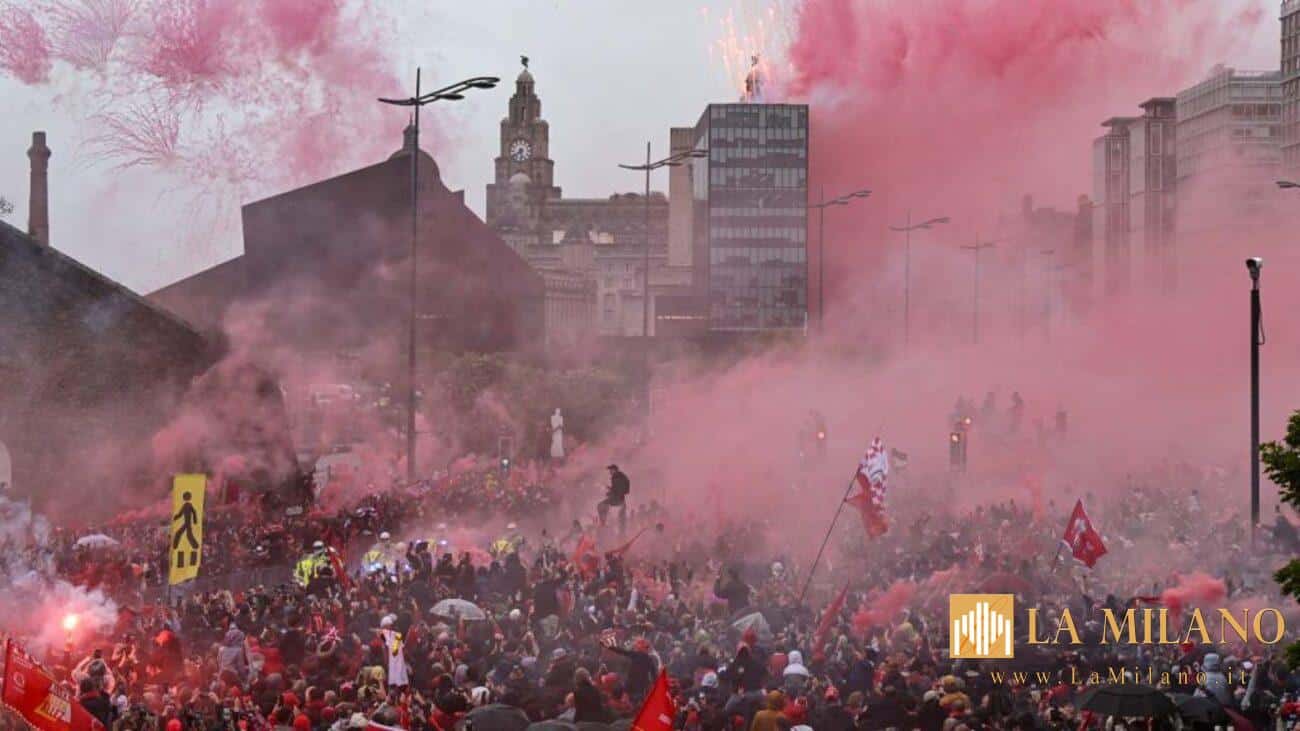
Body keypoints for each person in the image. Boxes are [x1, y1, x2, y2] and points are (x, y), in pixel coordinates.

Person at [599, 465, 631, 533]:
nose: (610, 472)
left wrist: (610, 492)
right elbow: (618, 489)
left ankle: (603, 523)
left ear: (614, 470)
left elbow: (618, 490)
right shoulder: (619, 477)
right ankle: (605, 523)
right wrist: (610, 490)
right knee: (621, 520)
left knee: (600, 506)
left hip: (617, 500)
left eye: (611, 470)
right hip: (620, 500)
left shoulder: (617, 477)